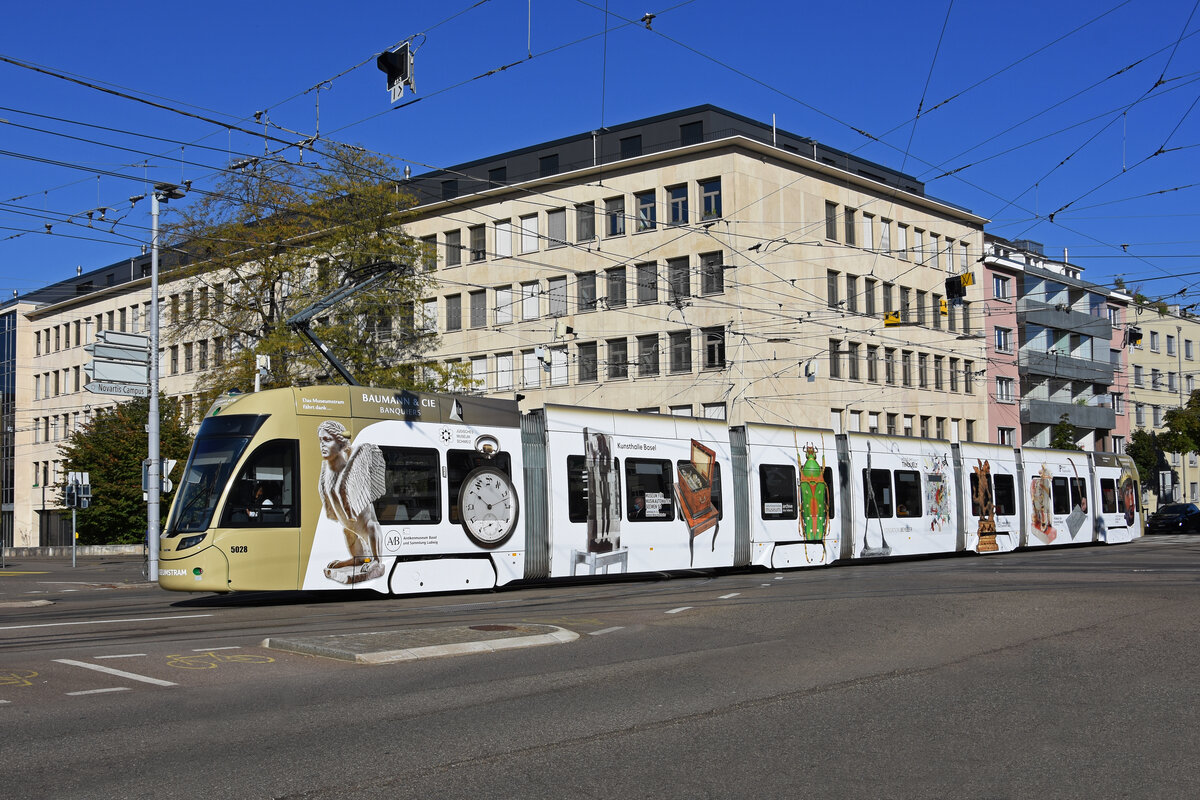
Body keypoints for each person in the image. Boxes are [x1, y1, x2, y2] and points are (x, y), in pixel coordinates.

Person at [317, 420, 387, 584]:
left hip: (364, 525)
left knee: (370, 526)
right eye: (320, 440)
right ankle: (357, 558)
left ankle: (376, 560)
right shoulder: (325, 468)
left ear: (341, 443)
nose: (322, 445)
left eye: (327, 440)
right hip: (351, 526)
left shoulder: (349, 463)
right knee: (347, 531)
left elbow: (343, 489)